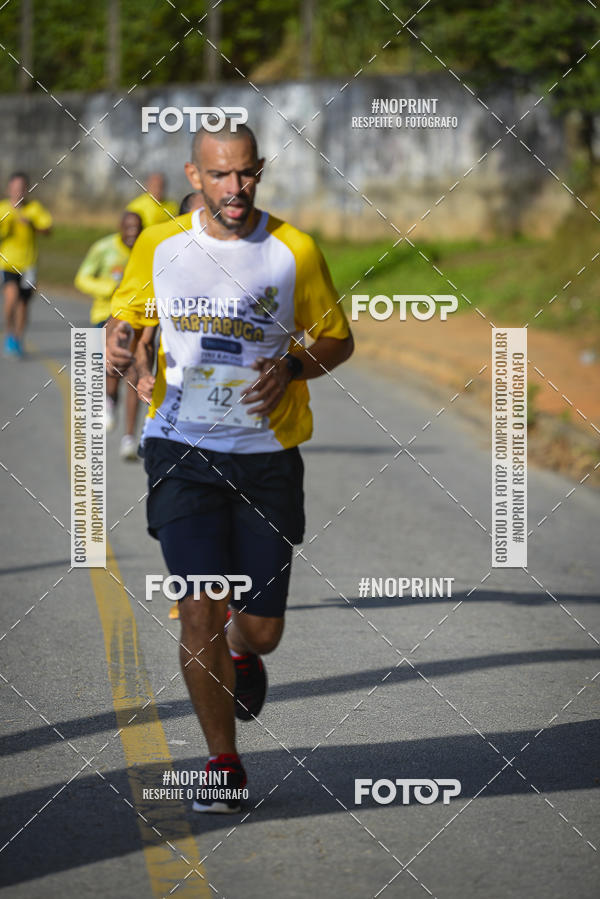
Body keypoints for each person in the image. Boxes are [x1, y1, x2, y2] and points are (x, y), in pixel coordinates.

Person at [106, 123, 353, 813]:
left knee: (261, 626)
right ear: (195, 174)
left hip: (268, 456)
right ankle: (222, 763)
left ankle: (245, 654)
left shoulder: (292, 250)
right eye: (220, 175)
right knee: (198, 609)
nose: (234, 188)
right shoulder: (160, 244)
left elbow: (339, 337)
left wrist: (296, 365)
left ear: (260, 171)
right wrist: (121, 344)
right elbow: (127, 313)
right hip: (180, 448)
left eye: (245, 174)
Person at [74, 211, 143, 459]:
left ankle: (129, 439)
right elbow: (81, 278)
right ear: (120, 228)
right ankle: (109, 400)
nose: (133, 232)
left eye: (138, 228)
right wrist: (108, 289)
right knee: (112, 367)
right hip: (105, 314)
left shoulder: (146, 251)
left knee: (134, 373)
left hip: (137, 318)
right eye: (129, 227)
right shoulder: (103, 248)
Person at [1, 172, 52, 358]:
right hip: (7, 263)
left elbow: (48, 230)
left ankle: (18, 338)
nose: (18, 192)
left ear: (27, 190)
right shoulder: (2, 209)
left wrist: (32, 225)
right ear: (9, 189)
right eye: (14, 188)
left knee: (23, 304)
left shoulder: (34, 209)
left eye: (21, 188)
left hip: (29, 265)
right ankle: (9, 331)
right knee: (10, 298)